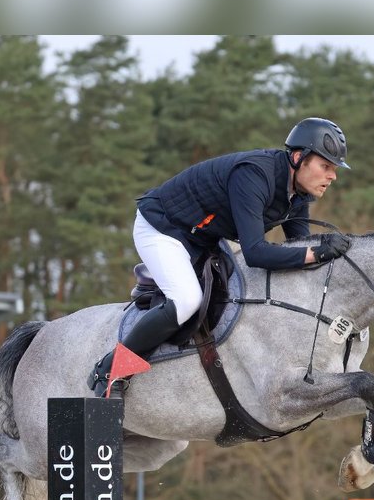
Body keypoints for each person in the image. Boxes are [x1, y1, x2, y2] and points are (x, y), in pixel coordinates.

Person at [88, 117, 354, 396]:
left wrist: (325, 254)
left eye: (334, 169)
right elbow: (256, 253)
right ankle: (111, 371)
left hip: (203, 237)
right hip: (163, 228)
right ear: (299, 158)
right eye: (325, 166)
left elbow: (296, 248)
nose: (332, 176)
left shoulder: (298, 194)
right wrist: (318, 251)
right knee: (187, 300)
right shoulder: (254, 175)